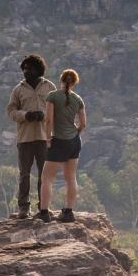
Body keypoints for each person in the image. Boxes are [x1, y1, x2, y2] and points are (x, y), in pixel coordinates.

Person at [6, 53, 55, 218]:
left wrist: (44, 116)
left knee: (44, 174)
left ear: (39, 69)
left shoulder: (49, 87)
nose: (27, 71)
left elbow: (57, 111)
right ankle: (23, 208)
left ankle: (43, 207)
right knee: (24, 174)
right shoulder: (18, 89)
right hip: (25, 138)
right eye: (24, 68)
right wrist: (26, 115)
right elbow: (11, 112)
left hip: (44, 137)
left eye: (30, 68)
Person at [37, 68, 86, 223]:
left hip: (58, 140)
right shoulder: (78, 99)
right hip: (74, 141)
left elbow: (49, 120)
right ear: (74, 83)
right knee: (70, 177)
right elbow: (83, 123)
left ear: (61, 80)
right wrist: (75, 132)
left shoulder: (52, 96)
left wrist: (48, 138)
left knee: (47, 177)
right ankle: (68, 212)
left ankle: (44, 212)